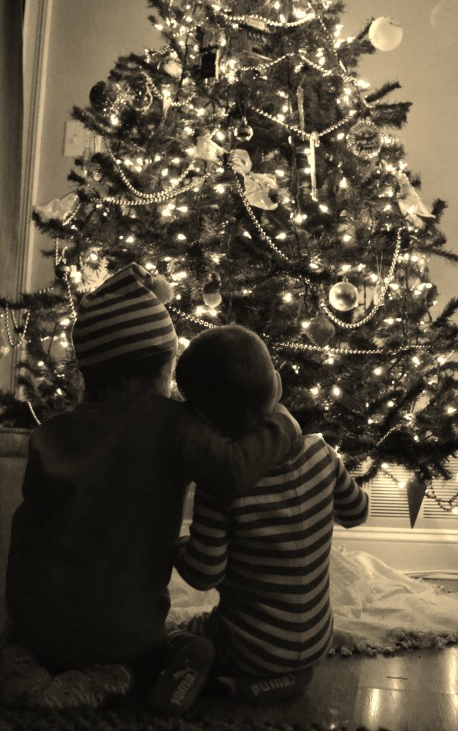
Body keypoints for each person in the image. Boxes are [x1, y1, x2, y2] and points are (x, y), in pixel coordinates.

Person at [4, 264, 300, 710]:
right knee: (168, 641)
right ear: (163, 366)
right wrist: (283, 423)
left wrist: (22, 618)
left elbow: (25, 535)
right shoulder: (171, 423)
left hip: (42, 623)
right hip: (124, 632)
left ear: (89, 371)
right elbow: (233, 471)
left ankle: (37, 669)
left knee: (28, 650)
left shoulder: (51, 433)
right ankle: (144, 669)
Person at [173, 325, 369, 703]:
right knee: (286, 647)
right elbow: (357, 511)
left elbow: (203, 573)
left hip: (248, 645)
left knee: (181, 633)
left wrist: (174, 545)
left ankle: (217, 677)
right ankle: (273, 681)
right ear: (276, 385)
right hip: (317, 639)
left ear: (200, 418)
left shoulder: (220, 487)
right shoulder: (321, 453)